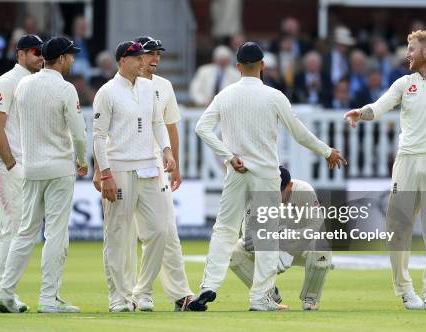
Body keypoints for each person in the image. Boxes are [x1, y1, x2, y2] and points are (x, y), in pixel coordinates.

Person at [190, 42, 346, 311]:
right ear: (262, 65)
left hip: (236, 171)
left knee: (224, 229)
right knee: (266, 235)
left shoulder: (225, 95)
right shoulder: (274, 96)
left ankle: (209, 286)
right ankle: (260, 297)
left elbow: (202, 128)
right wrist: (327, 151)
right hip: (265, 174)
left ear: (238, 67)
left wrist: (228, 156)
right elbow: (299, 133)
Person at [344, 30, 426, 310]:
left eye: (411, 49)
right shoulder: (404, 83)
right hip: (406, 161)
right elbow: (380, 106)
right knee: (396, 228)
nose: (407, 54)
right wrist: (361, 113)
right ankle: (404, 290)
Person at [0, 36, 88, 314]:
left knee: (25, 232)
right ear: (60, 58)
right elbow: (79, 133)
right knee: (55, 232)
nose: (72, 60)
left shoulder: (24, 85)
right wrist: (82, 160)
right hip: (58, 168)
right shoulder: (66, 88)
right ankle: (48, 298)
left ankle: (5, 291)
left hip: (31, 168)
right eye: (70, 56)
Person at [92, 40, 176, 312]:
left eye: (143, 58)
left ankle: (143, 291)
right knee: (118, 234)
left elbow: (157, 122)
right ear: (122, 61)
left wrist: (166, 149)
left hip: (148, 166)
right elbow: (98, 136)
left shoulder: (149, 87)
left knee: (160, 230)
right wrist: (105, 175)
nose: (143, 62)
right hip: (118, 167)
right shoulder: (107, 92)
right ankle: (118, 297)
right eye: (137, 58)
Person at [131, 36, 194, 311]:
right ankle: (127, 295)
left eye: (158, 53)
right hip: (125, 164)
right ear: (137, 57)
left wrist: (176, 164)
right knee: (123, 236)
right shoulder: (119, 84)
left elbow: (171, 128)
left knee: (166, 230)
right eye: (150, 53)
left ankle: (180, 294)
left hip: (156, 165)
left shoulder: (164, 87)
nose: (155, 59)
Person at [0, 34, 44, 314]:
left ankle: (4, 293)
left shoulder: (37, 83)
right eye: (34, 52)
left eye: (42, 52)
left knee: (16, 228)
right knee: (12, 226)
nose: (40, 56)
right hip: (6, 164)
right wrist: (11, 165)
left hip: (27, 165)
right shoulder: (6, 82)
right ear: (20, 54)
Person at [230, 166, 333, 311]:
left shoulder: (304, 191)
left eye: (279, 191)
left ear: (290, 186)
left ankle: (310, 299)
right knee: (235, 253)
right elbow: (249, 235)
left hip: (301, 246)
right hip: (270, 247)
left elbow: (316, 226)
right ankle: (268, 295)